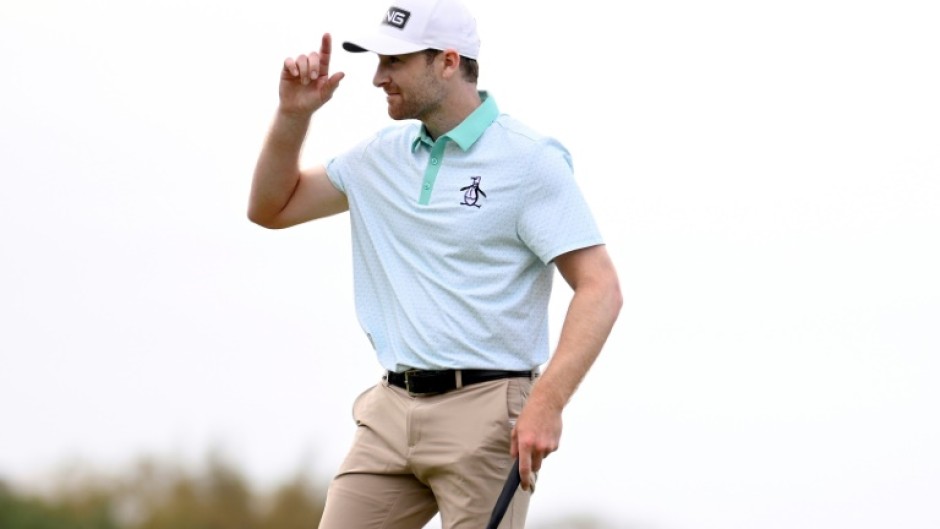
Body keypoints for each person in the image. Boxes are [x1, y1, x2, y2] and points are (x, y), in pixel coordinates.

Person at [247, 0, 622, 526]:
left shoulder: (529, 161)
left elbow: (600, 288)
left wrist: (548, 402)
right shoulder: (380, 156)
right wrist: (293, 114)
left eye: (394, 62)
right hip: (389, 410)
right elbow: (270, 208)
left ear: (448, 61)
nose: (377, 77)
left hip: (489, 413)